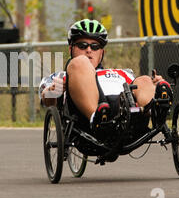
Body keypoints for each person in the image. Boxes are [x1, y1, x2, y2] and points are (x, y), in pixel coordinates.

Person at [39, 18, 172, 139]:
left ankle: (157, 111)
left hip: (129, 117)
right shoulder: (62, 76)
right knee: (80, 62)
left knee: (144, 79)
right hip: (90, 125)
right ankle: (96, 117)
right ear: (71, 49)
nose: (89, 50)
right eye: (82, 45)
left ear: (102, 52)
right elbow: (45, 98)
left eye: (95, 46)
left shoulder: (121, 72)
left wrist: (153, 84)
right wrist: (53, 91)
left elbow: (138, 87)